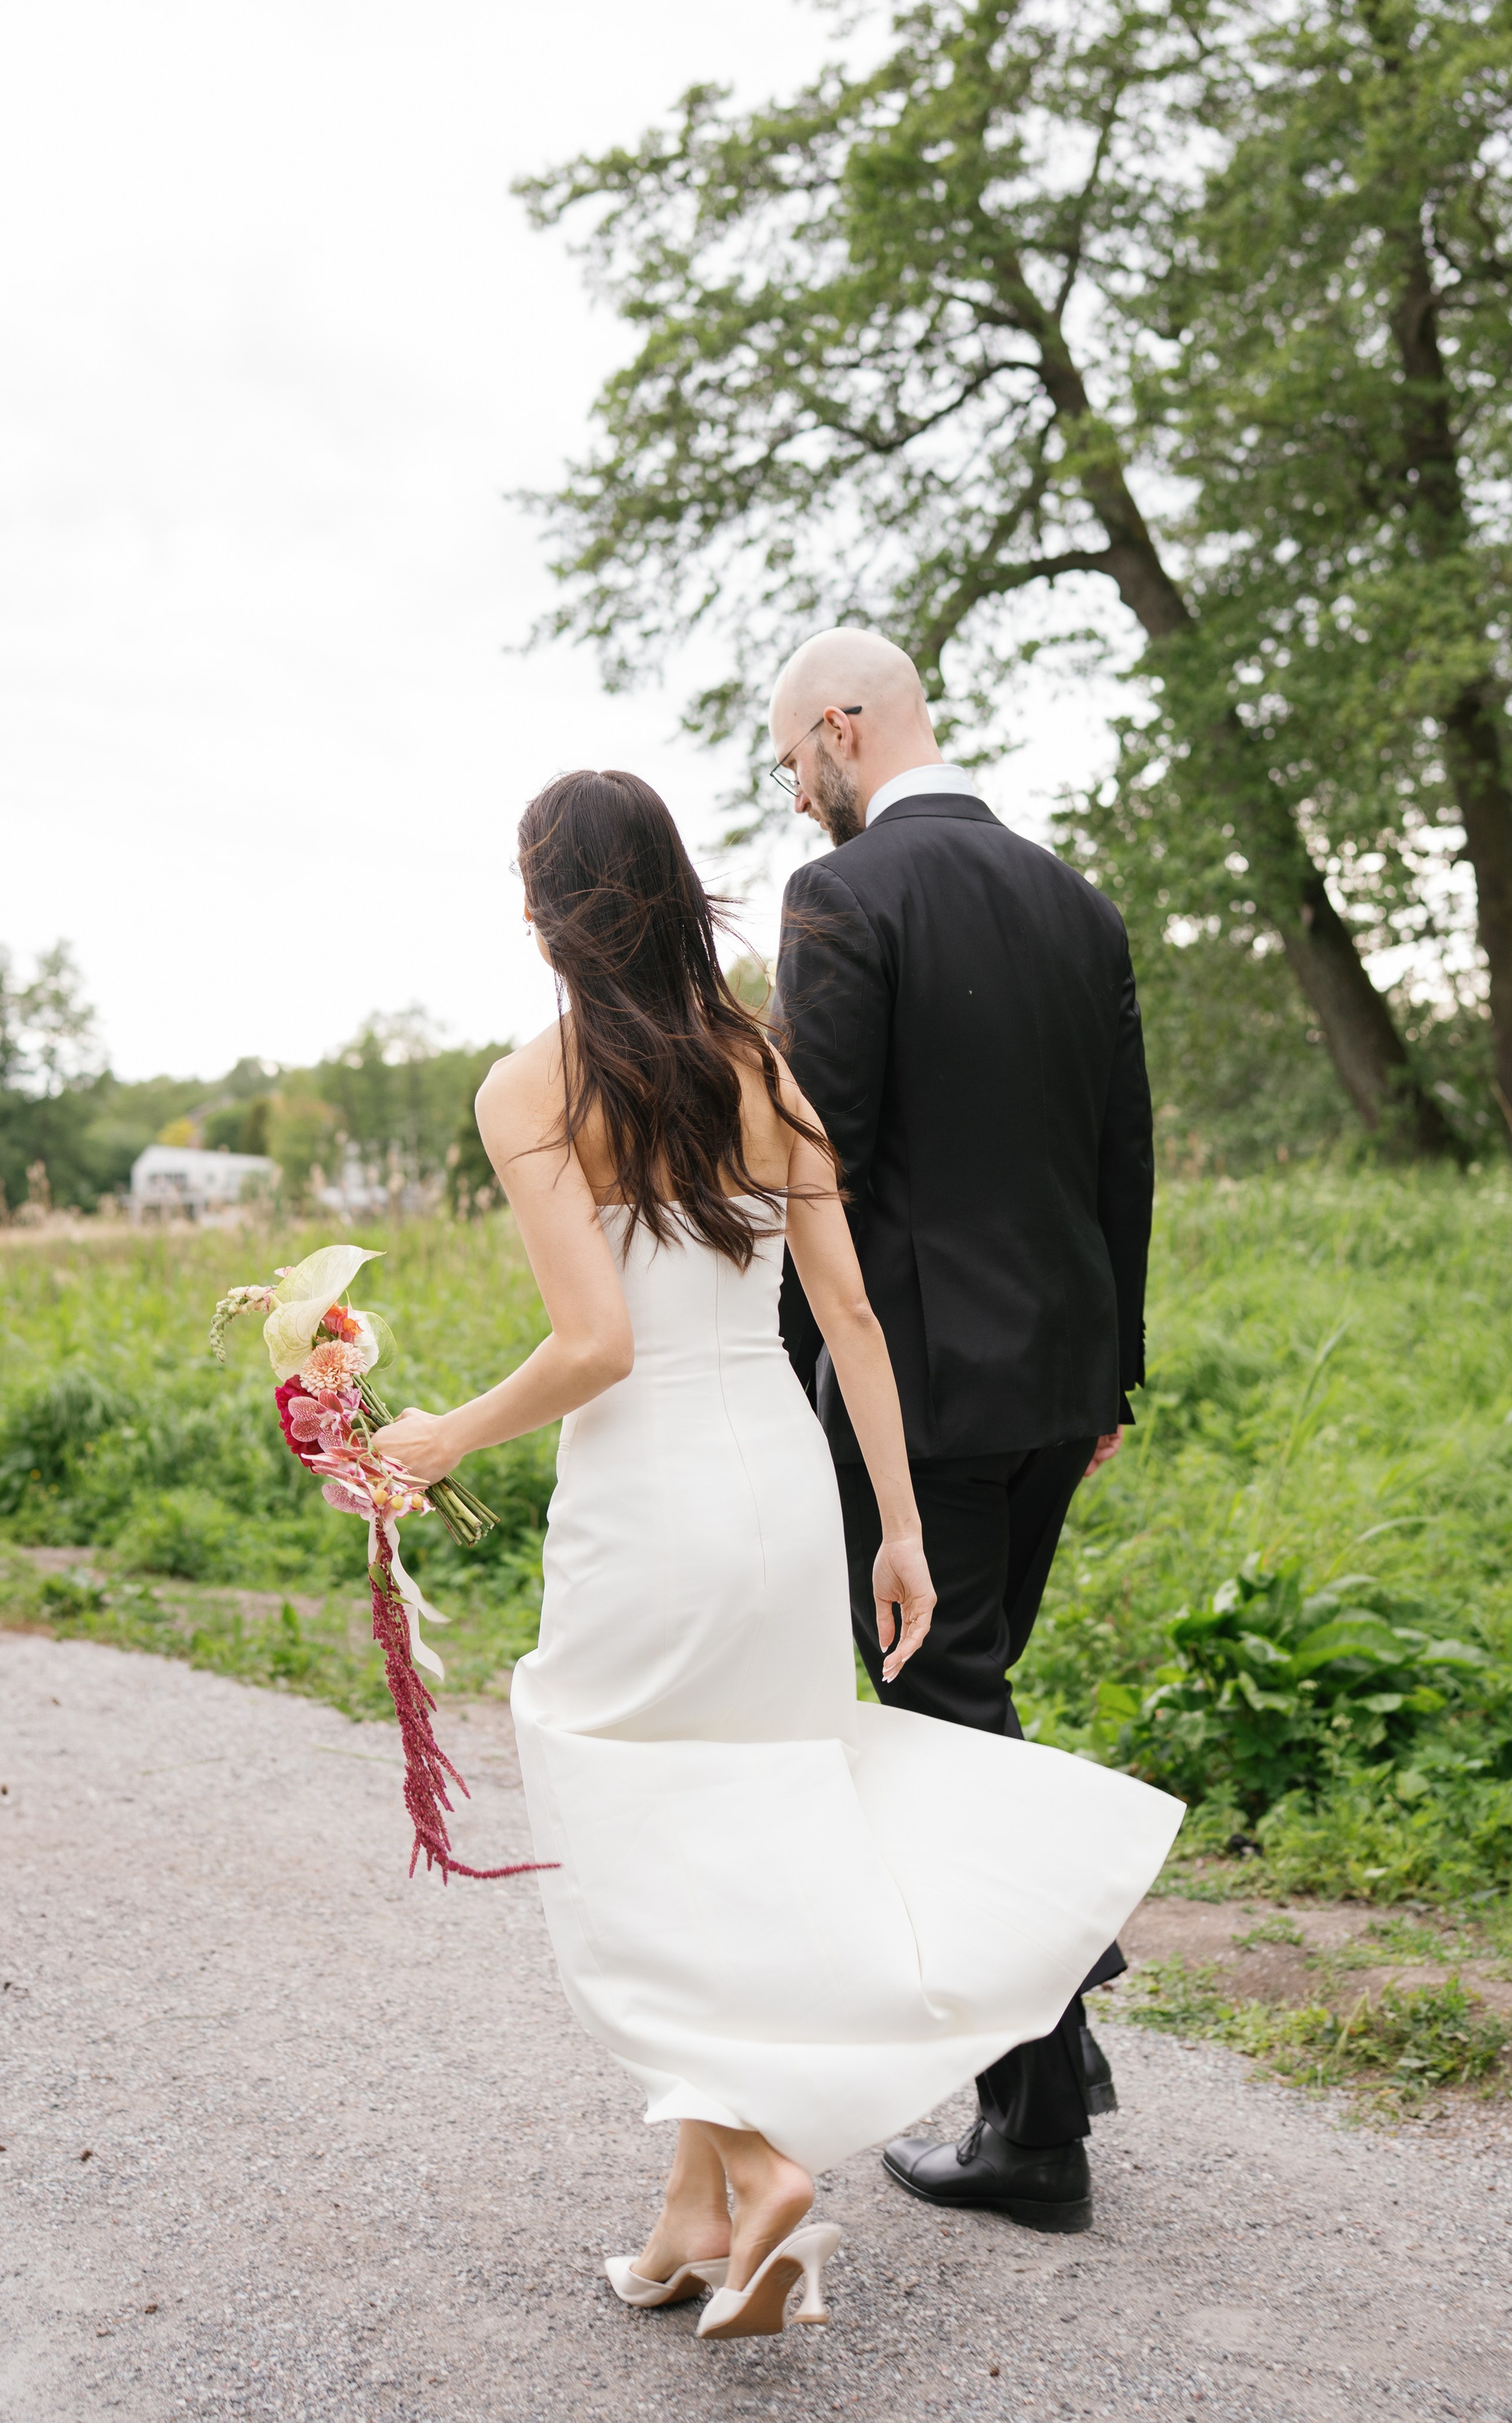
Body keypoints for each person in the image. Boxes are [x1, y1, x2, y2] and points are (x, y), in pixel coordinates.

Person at [373, 769, 1180, 2343]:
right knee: (736, 1824)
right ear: (679, 890)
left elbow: (595, 1342)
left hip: (648, 1504)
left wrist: (442, 1434)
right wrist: (892, 1525)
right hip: (783, 1498)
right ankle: (690, 2221)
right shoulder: (764, 1067)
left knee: (626, 1833)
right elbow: (858, 1319)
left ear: (543, 908)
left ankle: (757, 2162)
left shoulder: (527, 1087)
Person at [767, 628, 1157, 2234]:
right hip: (1057, 1390)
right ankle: (1050, 2056)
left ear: (845, 729)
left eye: (791, 755)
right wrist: (1110, 1373)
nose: (792, 791)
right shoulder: (1078, 901)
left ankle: (1038, 2121)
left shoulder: (842, 904)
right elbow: (1122, 1158)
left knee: (942, 1729)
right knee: (966, 1706)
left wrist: (791, 1385)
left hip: (913, 1401)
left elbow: (820, 1179)